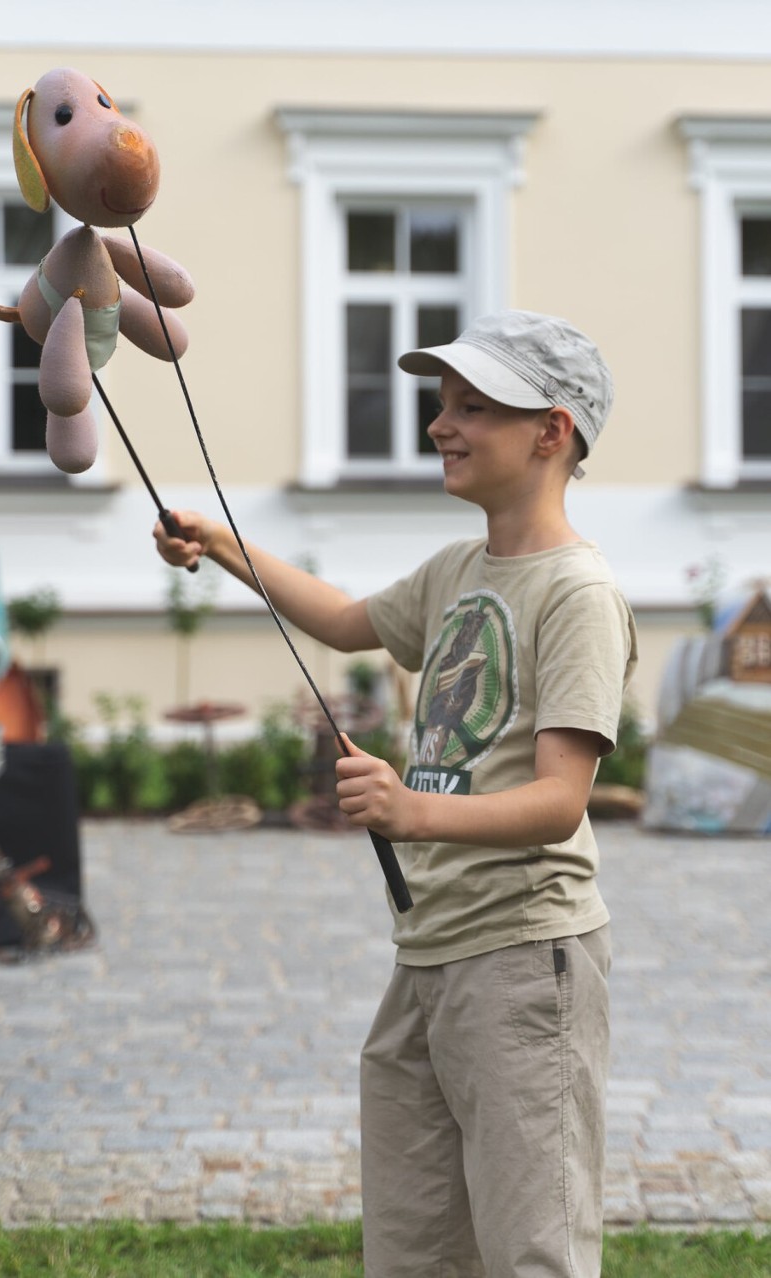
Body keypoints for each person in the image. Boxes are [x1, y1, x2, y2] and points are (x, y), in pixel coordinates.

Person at [153, 309, 638, 1278]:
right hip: (427, 960)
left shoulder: (576, 594)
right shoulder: (461, 571)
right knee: (413, 1251)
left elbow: (560, 802)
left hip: (523, 958)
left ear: (552, 430)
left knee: (532, 1249)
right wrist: (222, 544)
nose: (439, 425)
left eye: (473, 407)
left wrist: (411, 810)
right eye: (441, 403)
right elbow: (340, 620)